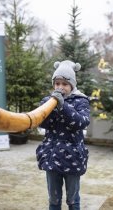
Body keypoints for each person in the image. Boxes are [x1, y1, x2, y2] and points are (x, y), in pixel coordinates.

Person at [36, 60, 90, 210]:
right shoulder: (47, 101)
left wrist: (63, 106)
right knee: (53, 199)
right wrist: (51, 107)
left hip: (72, 157)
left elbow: (82, 122)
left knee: (73, 199)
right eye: (57, 83)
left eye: (64, 84)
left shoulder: (81, 101)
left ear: (72, 85)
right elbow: (42, 123)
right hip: (51, 157)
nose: (60, 87)